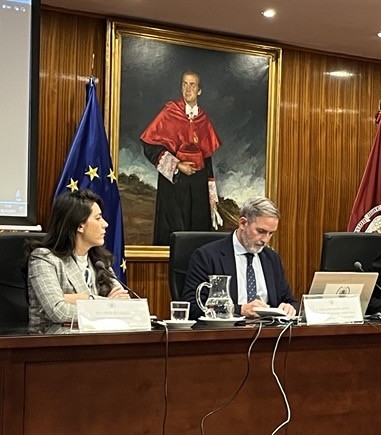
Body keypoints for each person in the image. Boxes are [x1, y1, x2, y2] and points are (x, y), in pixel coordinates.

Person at [140, 70, 222, 245]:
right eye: (184, 84)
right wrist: (178, 165)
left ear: (199, 90)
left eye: (192, 84)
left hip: (198, 184)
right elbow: (149, 146)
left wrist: (212, 198)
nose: (188, 88)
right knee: (174, 230)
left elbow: (207, 160)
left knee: (198, 232)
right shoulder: (170, 112)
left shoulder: (203, 119)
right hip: (174, 183)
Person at [181, 196, 298, 319]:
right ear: (243, 223)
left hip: (269, 333)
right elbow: (192, 306)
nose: (265, 240)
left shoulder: (271, 258)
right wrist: (239, 310)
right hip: (227, 333)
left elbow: (290, 300)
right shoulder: (207, 257)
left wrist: (289, 307)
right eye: (261, 231)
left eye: (271, 233)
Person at [27, 190, 130, 325]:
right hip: (53, 342)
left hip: (97, 338)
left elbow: (124, 306)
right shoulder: (44, 259)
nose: (105, 224)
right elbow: (59, 311)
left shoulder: (99, 261)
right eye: (98, 218)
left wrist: (78, 299)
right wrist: (103, 303)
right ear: (80, 225)